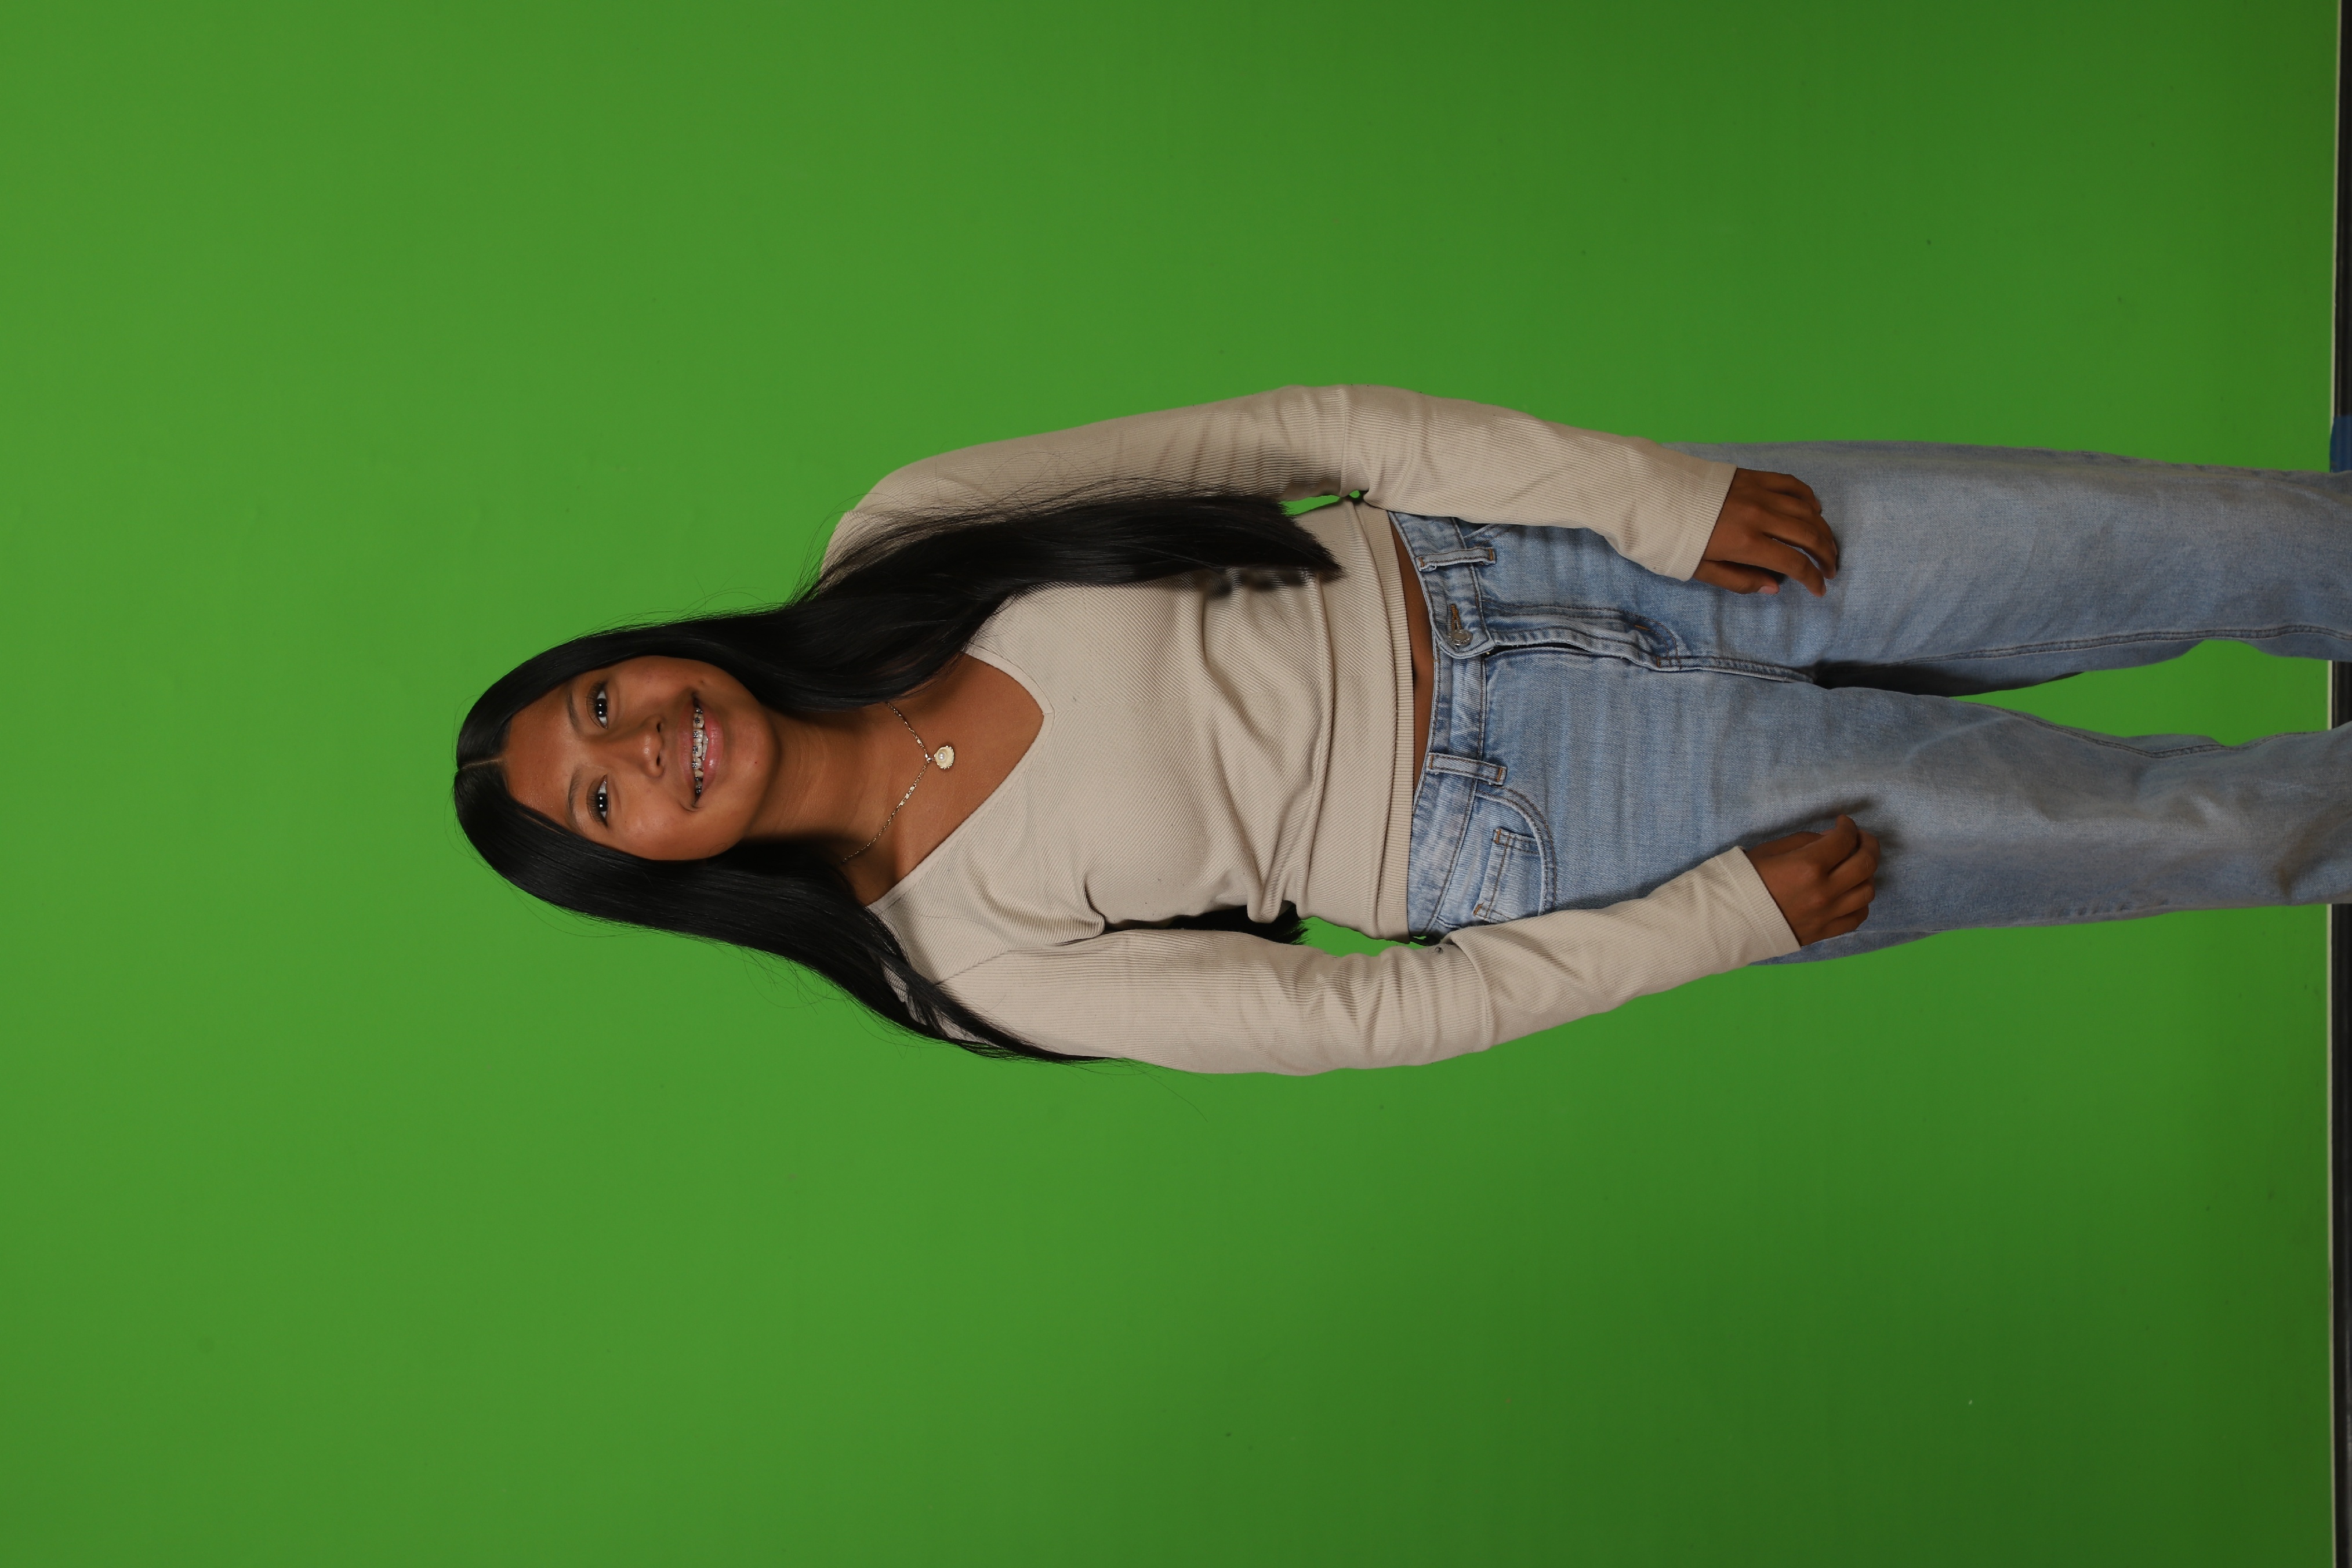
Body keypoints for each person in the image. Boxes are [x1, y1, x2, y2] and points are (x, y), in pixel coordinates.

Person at [453, 385, 2352, 1073]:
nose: (643, 746)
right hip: (1567, 821)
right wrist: (1719, 921)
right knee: (2171, 831)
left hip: (1544, 559)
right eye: (604, 798)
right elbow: (1360, 1019)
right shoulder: (958, 963)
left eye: (600, 701)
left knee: (2151, 541)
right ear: (651, 871)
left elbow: (1304, 434)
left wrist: (1653, 495)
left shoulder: (907, 529)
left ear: (644, 654)